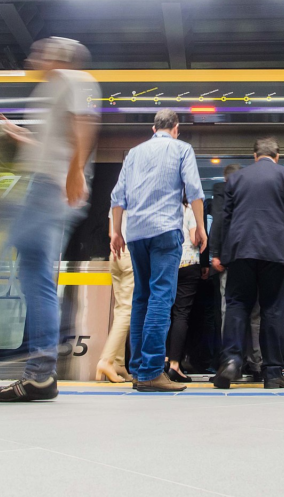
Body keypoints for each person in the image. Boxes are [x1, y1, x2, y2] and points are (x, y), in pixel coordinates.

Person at [0, 37, 100, 402]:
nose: (32, 55)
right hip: (45, 184)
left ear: (62, 56)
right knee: (35, 276)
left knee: (1, 242)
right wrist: (19, 135)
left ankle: (36, 357)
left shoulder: (72, 79)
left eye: (42, 50)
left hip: (51, 188)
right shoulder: (50, 88)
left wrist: (75, 171)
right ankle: (40, 373)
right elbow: (55, 142)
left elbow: (84, 123)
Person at [110, 108, 206, 392]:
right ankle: (152, 371)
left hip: (136, 234)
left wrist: (116, 232)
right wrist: (200, 226)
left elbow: (118, 196)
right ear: (176, 128)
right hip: (165, 230)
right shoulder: (182, 148)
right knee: (161, 298)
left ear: (154, 128)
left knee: (141, 298)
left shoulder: (134, 153)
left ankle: (140, 369)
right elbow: (194, 189)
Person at [213, 137, 284, 390]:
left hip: (241, 252)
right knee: (272, 309)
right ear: (277, 155)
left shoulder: (237, 179)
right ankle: (272, 373)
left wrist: (217, 253)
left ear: (254, 156)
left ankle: (231, 362)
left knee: (237, 304)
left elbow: (223, 219)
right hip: (277, 252)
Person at [210, 163, 263, 379]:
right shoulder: (253, 193)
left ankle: (230, 362)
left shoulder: (222, 192)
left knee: (229, 310)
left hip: (229, 259)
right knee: (255, 312)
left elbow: (219, 221)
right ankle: (256, 362)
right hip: (255, 257)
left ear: (225, 179)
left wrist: (215, 253)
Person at [165, 197, 208, 382]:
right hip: (188, 263)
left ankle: (163, 361)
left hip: (167, 263)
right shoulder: (190, 209)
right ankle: (175, 364)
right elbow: (193, 237)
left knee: (164, 311)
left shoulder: (164, 208)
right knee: (181, 314)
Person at [96, 211, 133, 383]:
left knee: (120, 309)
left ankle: (118, 364)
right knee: (127, 310)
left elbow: (112, 232)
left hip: (115, 253)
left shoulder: (116, 196)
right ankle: (106, 360)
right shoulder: (138, 192)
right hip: (130, 253)